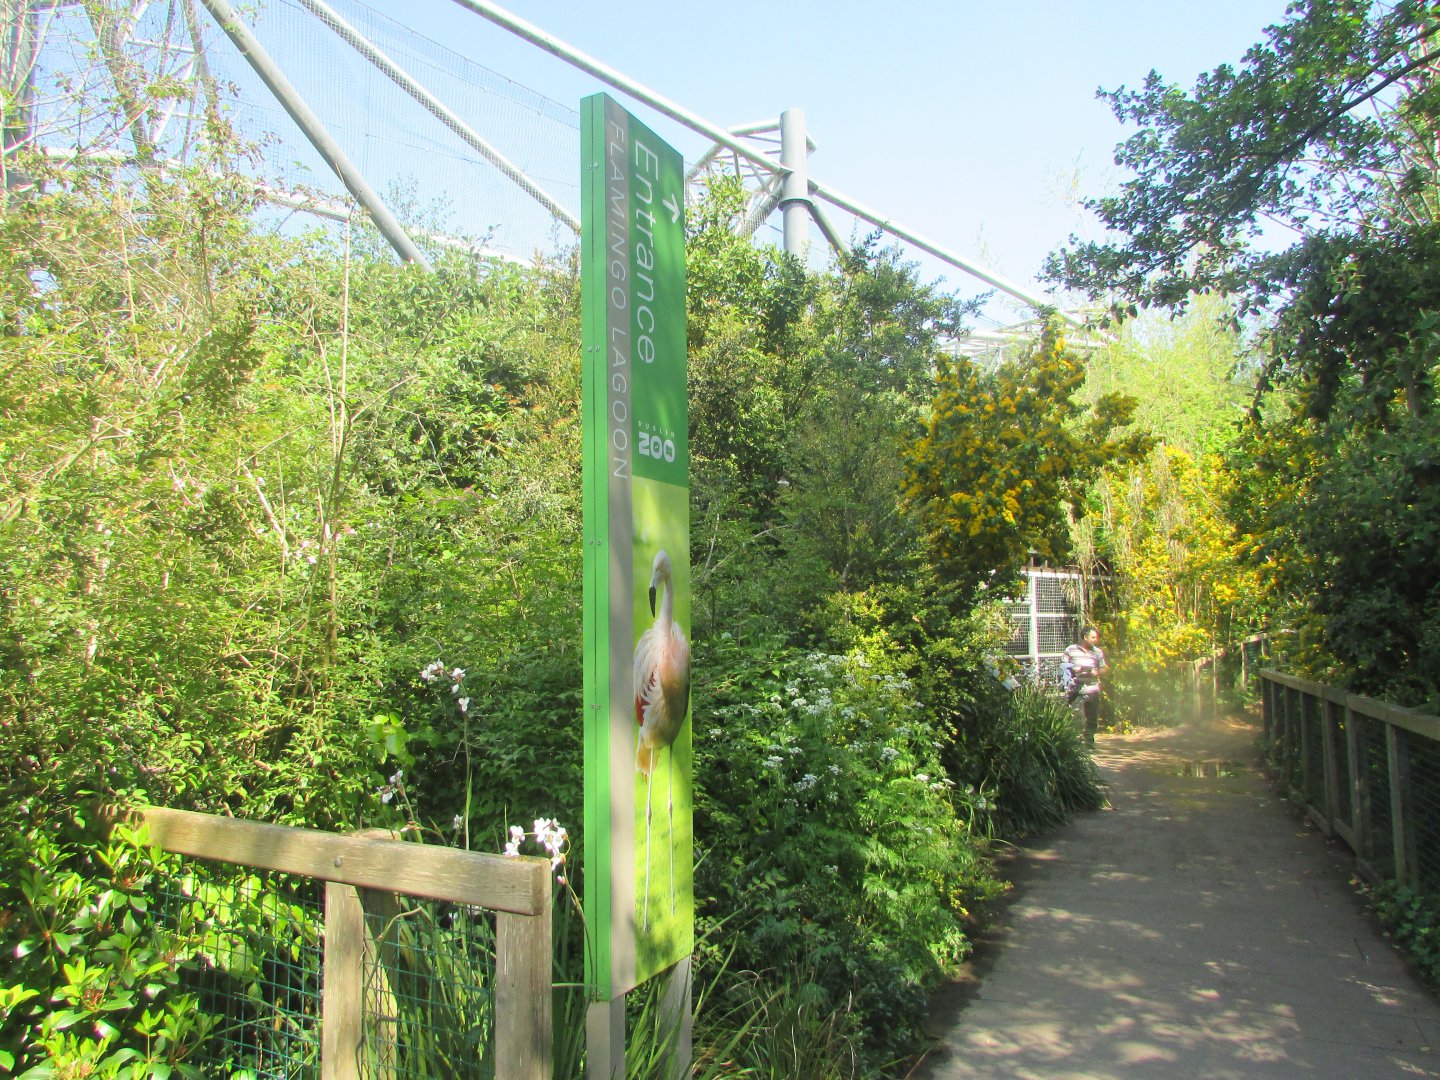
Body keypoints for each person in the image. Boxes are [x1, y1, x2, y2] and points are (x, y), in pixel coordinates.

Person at [1061, 625, 1107, 744]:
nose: (1095, 640)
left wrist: (1097, 672)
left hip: (1092, 688)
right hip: (1076, 687)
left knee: (1091, 717)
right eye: (1093, 637)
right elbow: (1063, 666)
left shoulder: (1097, 652)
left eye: (1096, 637)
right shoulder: (1070, 650)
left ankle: (1089, 741)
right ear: (1085, 637)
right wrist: (1073, 669)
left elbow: (1104, 668)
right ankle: (1074, 741)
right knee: (1075, 716)